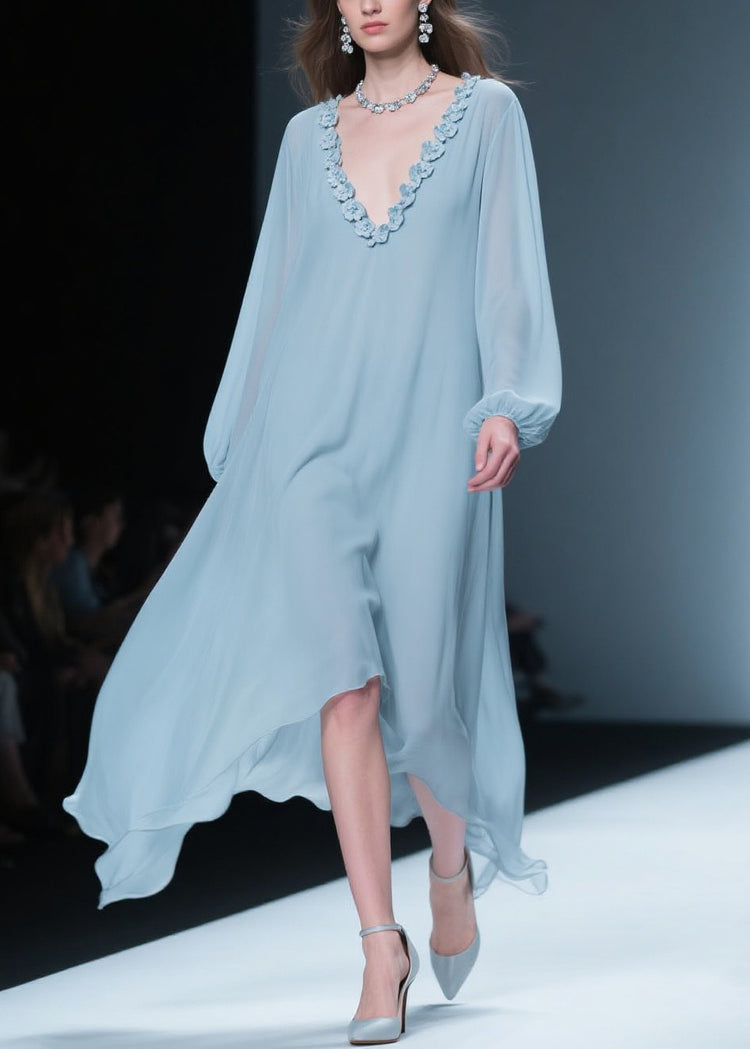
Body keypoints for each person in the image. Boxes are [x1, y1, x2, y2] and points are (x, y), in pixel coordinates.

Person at [63, 2, 563, 1044]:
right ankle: (380, 943)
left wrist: (509, 403)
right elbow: (273, 302)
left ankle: (452, 864)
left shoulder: (486, 117)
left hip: (429, 438)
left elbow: (509, 274)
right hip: (307, 447)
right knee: (346, 685)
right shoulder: (306, 140)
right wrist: (248, 452)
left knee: (428, 698)